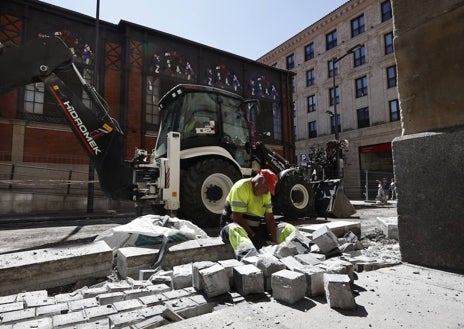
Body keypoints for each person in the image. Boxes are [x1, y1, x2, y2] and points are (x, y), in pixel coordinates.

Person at [219, 169, 297, 260]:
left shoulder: (265, 194)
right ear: (260, 180)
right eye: (266, 189)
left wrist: (274, 241)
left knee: (286, 228)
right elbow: (237, 218)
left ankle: (307, 250)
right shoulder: (241, 188)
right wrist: (254, 237)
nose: (267, 193)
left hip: (254, 229)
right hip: (233, 228)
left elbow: (269, 218)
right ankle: (250, 261)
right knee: (235, 229)